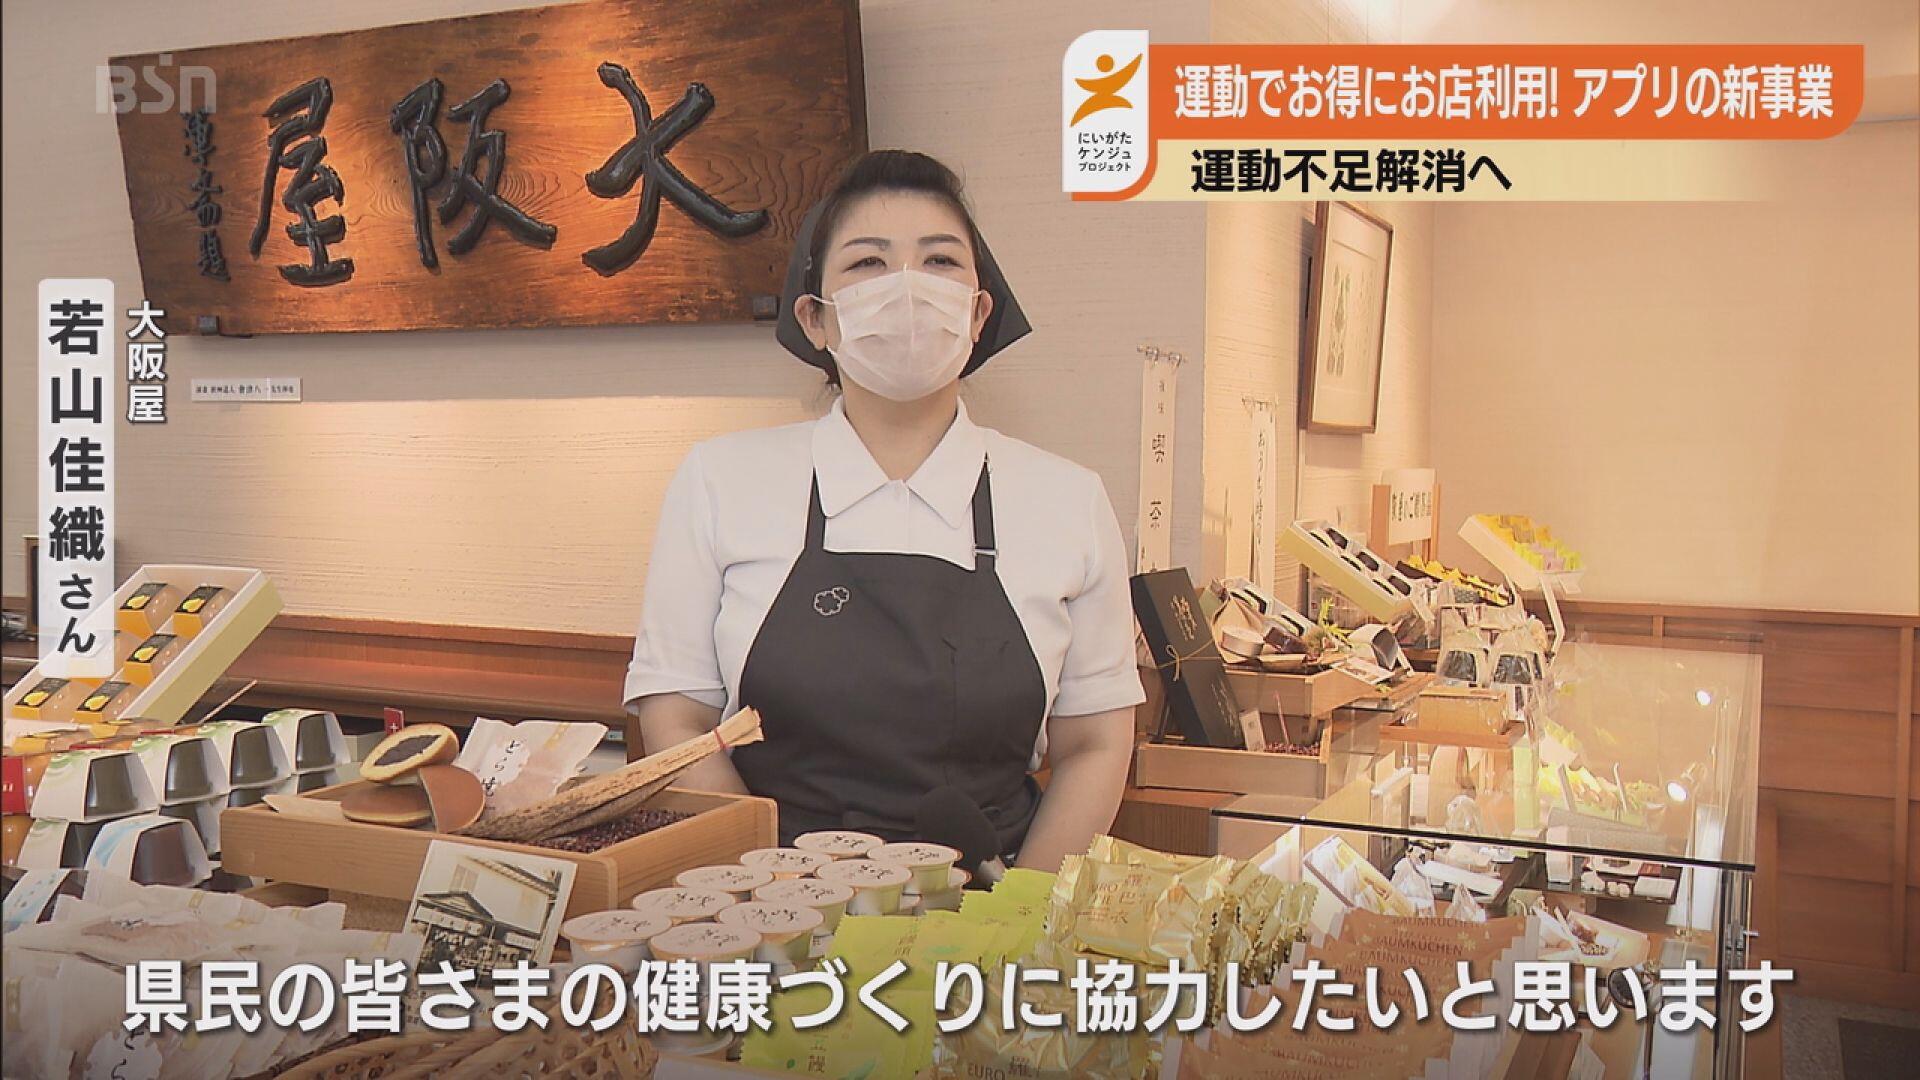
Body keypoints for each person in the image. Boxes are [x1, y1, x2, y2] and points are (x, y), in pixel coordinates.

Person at [625, 150, 1143, 872]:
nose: (907, 288)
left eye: (940, 262)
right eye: (869, 263)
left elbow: (1094, 744)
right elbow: (678, 722)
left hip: (993, 901)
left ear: (979, 312)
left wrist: (1020, 918)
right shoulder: (720, 480)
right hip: (767, 901)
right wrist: (771, 896)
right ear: (814, 319)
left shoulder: (1068, 499)